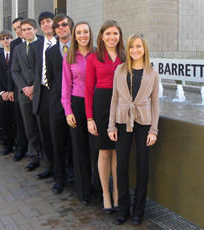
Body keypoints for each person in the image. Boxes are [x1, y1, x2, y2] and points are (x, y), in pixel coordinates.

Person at [108, 34, 159, 226]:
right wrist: (111, 125)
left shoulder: (152, 72)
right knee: (121, 167)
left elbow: (155, 103)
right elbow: (114, 99)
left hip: (144, 124)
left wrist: (153, 130)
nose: (134, 50)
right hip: (122, 122)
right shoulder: (120, 71)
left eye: (138, 46)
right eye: (131, 47)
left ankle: (138, 211)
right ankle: (123, 210)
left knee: (143, 167)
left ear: (144, 48)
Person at [85, 20, 126, 214]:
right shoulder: (93, 58)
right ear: (101, 36)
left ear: (120, 36)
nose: (112, 37)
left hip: (122, 106)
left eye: (115, 34)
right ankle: (106, 194)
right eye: (108, 33)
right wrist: (89, 118)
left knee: (118, 152)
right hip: (101, 104)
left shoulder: (126, 56)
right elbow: (88, 91)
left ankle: (118, 194)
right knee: (104, 152)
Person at [62, 22, 94, 205]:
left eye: (86, 32)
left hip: (96, 104)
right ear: (74, 35)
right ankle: (84, 191)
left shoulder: (98, 54)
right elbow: (65, 86)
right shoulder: (69, 57)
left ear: (90, 34)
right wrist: (68, 111)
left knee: (96, 149)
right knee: (79, 148)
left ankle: (99, 188)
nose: (83, 35)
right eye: (79, 32)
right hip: (77, 104)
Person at [45, 14, 74, 195]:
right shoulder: (50, 52)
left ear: (70, 26)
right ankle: (59, 178)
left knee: (76, 143)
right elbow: (50, 77)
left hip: (77, 102)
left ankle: (75, 174)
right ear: (54, 30)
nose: (61, 28)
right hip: (56, 104)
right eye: (57, 26)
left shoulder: (80, 49)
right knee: (58, 142)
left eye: (64, 25)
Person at [11, 18, 43, 172]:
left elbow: (42, 70)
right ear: (21, 33)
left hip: (40, 93)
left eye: (29, 29)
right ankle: (34, 156)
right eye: (24, 30)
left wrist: (34, 88)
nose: (27, 32)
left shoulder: (43, 45)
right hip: (24, 95)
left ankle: (47, 158)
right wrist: (24, 88)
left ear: (35, 30)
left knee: (42, 127)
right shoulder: (18, 49)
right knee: (30, 128)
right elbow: (14, 71)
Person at [28, 11, 56, 180]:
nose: (46, 24)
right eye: (42, 22)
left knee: (59, 133)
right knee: (45, 132)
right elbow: (35, 70)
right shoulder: (35, 47)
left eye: (48, 21)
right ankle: (50, 166)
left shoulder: (61, 44)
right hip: (42, 94)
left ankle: (65, 167)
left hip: (58, 94)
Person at [8, 17, 29, 162]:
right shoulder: (14, 44)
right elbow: (12, 69)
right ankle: (21, 148)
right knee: (20, 121)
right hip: (19, 89)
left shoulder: (38, 40)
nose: (18, 31)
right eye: (15, 29)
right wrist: (11, 89)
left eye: (20, 27)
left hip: (36, 89)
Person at [0, 30, 16, 155]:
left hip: (14, 93)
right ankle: (8, 144)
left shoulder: (16, 53)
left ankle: (19, 144)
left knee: (17, 120)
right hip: (3, 95)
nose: (5, 40)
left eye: (8, 38)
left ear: (12, 39)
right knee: (5, 120)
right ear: (0, 41)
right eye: (3, 38)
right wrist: (2, 92)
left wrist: (11, 90)